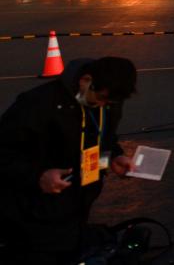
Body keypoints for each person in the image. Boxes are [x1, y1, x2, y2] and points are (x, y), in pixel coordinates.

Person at [0, 56, 137, 264]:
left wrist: (113, 157)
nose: (102, 105)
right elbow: (4, 152)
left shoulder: (108, 104)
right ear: (86, 80)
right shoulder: (38, 104)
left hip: (79, 204)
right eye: (99, 98)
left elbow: (104, 138)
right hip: (35, 211)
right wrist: (38, 177)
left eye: (109, 102)